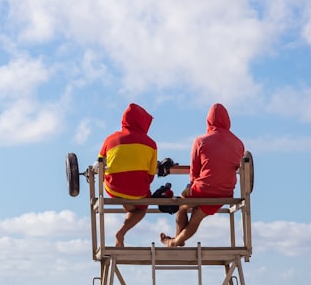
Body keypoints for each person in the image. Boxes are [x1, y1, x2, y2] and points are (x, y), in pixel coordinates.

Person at [160, 103, 244, 247]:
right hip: (225, 192)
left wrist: (191, 186)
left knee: (181, 207)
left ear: (208, 120)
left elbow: (194, 170)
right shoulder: (239, 143)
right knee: (197, 217)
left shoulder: (200, 141)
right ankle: (176, 241)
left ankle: (175, 241)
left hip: (203, 189)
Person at [99, 103, 157, 246]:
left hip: (112, 188)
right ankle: (121, 232)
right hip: (137, 191)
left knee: (129, 200)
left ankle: (126, 206)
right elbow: (150, 175)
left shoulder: (110, 139)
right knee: (142, 208)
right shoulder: (151, 144)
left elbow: (100, 164)